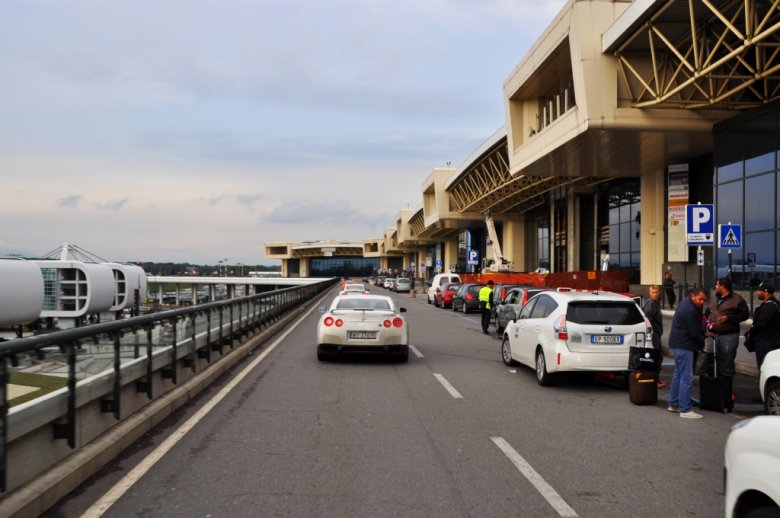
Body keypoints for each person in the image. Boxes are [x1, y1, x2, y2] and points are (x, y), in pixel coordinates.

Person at [667, 288, 708, 419]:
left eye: (704, 300)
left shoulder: (687, 303)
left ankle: (673, 404)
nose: (702, 302)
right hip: (684, 345)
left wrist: (703, 332)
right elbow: (693, 331)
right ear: (693, 296)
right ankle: (685, 409)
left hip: (678, 343)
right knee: (686, 377)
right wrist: (702, 341)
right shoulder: (689, 310)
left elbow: (696, 327)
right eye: (700, 299)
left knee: (678, 374)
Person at [705, 277, 749, 378]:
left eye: (717, 284)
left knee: (727, 363)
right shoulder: (715, 297)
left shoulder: (737, 299)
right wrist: (706, 325)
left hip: (728, 336)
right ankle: (713, 386)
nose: (715, 286)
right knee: (711, 361)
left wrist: (728, 318)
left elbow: (745, 314)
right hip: (712, 334)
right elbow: (707, 312)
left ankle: (726, 389)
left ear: (722, 286)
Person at [746, 281, 780, 369]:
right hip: (769, 341)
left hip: (767, 342)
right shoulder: (772, 304)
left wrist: (750, 331)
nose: (757, 292)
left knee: (764, 367)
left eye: (759, 290)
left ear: (766, 292)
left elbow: (761, 325)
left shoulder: (770, 306)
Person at [643, 285, 666, 388]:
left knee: (656, 357)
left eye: (656, 292)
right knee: (657, 357)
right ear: (649, 293)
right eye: (652, 292)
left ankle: (655, 379)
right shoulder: (651, 304)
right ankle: (655, 380)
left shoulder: (655, 303)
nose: (655, 294)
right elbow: (647, 320)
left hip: (656, 334)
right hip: (654, 335)